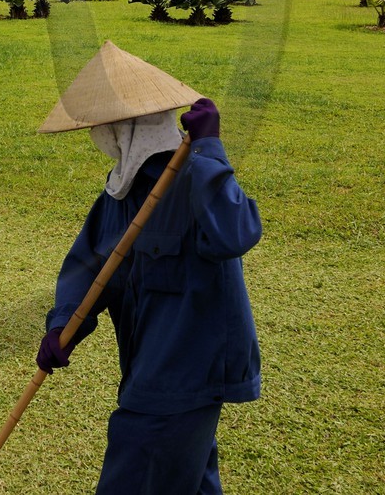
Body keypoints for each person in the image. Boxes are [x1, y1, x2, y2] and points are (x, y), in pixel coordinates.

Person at [36, 41, 261, 494]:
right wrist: (63, 326)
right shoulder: (120, 192)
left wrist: (211, 150)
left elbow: (236, 234)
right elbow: (89, 267)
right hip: (146, 364)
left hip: (186, 372)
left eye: (105, 128)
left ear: (126, 129)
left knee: (136, 474)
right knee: (189, 483)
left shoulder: (195, 179)